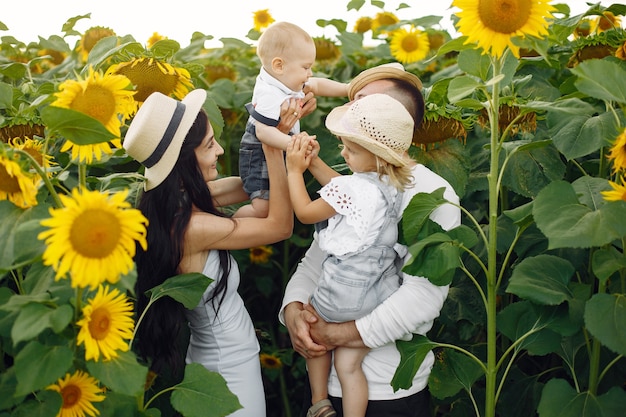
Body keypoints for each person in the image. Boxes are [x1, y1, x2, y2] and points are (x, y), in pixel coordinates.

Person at [279, 63, 462, 417]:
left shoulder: (434, 194)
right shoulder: (358, 181)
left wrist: (336, 333)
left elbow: (423, 296)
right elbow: (318, 261)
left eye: (363, 101)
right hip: (324, 387)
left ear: (398, 119)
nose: (353, 111)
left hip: (389, 393)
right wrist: (294, 311)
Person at [122, 89, 298, 417]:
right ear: (184, 161)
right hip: (228, 372)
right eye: (209, 146)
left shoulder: (172, 199)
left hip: (221, 359)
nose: (219, 150)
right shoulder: (191, 227)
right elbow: (280, 227)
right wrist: (275, 150)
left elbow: (246, 185)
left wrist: (271, 132)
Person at [286, 94, 416, 417]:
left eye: (351, 150)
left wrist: (294, 170)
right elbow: (344, 188)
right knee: (347, 364)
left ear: (375, 156)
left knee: (312, 325)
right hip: (373, 300)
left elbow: (305, 212)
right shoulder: (390, 185)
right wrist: (317, 164)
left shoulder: (353, 189)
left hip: (340, 295)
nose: (343, 152)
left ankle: (319, 403)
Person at [236, 21, 348, 218]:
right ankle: (228, 223)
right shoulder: (268, 94)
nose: (310, 73)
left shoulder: (285, 80)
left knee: (278, 198)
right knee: (262, 206)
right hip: (258, 153)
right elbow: (263, 132)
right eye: (306, 67)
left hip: (280, 145)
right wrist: (294, 144)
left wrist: (347, 89)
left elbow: (318, 85)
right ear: (279, 65)